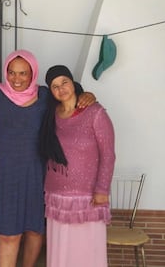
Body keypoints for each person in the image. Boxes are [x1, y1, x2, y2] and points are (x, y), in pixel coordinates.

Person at [0, 50, 96, 267]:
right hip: (5, 175)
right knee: (8, 234)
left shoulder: (45, 96)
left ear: (32, 73)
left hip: (38, 174)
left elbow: (70, 98)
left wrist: (87, 95)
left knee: (35, 230)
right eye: (12, 72)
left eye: (23, 73)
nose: (17, 79)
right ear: (5, 72)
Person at [40, 65, 115, 267]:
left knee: (86, 251)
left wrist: (102, 190)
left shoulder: (95, 113)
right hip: (57, 196)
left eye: (64, 82)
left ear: (73, 82)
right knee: (61, 251)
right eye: (54, 86)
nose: (61, 88)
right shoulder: (50, 115)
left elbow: (108, 155)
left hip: (88, 197)